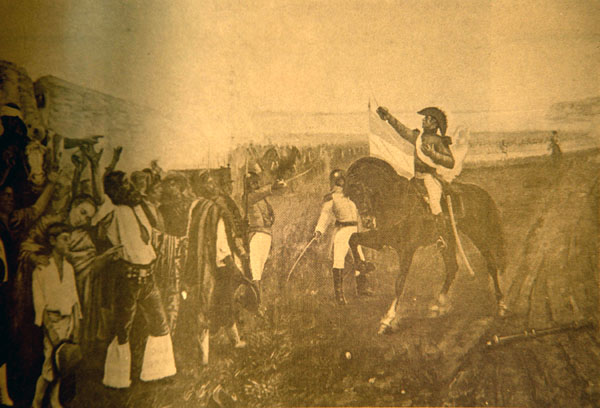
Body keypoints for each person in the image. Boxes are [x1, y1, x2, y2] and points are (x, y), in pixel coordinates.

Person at [96, 171, 176, 388]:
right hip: (128, 277)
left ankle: (159, 373)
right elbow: (99, 214)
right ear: (113, 190)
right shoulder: (112, 210)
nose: (128, 187)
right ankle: (117, 379)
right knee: (123, 328)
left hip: (148, 276)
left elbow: (153, 232)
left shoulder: (139, 207)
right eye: (122, 184)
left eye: (127, 182)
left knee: (160, 323)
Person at [183, 176, 258, 365]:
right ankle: (205, 357)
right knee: (212, 305)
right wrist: (232, 265)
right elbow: (221, 243)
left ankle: (233, 342)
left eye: (211, 182)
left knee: (220, 304)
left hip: (203, 263)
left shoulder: (196, 206)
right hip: (217, 264)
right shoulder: (213, 210)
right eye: (207, 183)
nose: (211, 186)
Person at [376, 106, 455, 244]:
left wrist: (433, 154)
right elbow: (402, 130)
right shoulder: (418, 137)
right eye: (425, 118)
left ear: (435, 124)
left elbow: (450, 162)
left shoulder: (438, 141)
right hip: (416, 177)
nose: (424, 120)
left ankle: (442, 237)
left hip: (430, 178)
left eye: (428, 119)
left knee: (435, 204)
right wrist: (388, 117)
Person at [31, 222, 81, 408]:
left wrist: (76, 325)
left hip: (68, 321)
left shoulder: (68, 268)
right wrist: (49, 329)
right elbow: (40, 303)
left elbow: (75, 299)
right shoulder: (42, 269)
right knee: (49, 366)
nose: (68, 243)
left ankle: (54, 399)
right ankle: (36, 402)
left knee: (63, 363)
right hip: (51, 321)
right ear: (53, 241)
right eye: (65, 239)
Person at [314, 169, 371, 305]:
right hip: (342, 231)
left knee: (360, 260)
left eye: (342, 180)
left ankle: (361, 288)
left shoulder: (351, 197)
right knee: (339, 260)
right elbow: (325, 215)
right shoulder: (331, 198)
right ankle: (339, 296)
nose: (341, 183)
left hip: (355, 232)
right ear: (333, 182)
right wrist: (319, 230)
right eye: (338, 181)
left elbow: (358, 214)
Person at [243, 172, 286, 295]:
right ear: (247, 185)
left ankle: (257, 299)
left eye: (257, 182)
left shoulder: (262, 199)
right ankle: (256, 301)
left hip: (266, 235)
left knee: (260, 272)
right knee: (255, 272)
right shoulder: (248, 197)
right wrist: (272, 186)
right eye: (252, 183)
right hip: (256, 235)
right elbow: (261, 192)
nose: (256, 185)